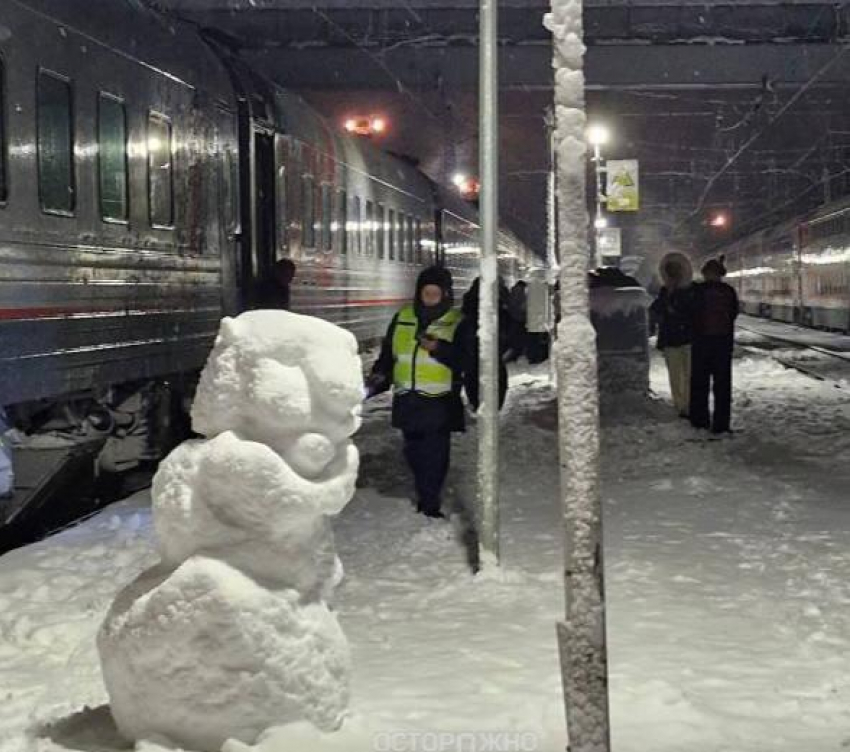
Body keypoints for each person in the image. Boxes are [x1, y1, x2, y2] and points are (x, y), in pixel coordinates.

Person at [366, 266, 464, 518]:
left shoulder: (456, 321)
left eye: (435, 292)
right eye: (426, 292)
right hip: (407, 398)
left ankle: (429, 501)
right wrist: (380, 374)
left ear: (445, 294)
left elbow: (466, 359)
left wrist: (438, 348)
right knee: (413, 451)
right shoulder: (403, 317)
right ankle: (425, 490)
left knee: (434, 454)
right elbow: (389, 354)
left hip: (439, 402)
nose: (430, 296)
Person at [689, 256, 739, 434]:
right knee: (722, 386)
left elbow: (691, 314)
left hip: (701, 343)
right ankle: (721, 424)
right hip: (723, 344)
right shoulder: (728, 291)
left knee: (699, 384)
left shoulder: (697, 291)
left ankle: (699, 420)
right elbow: (734, 313)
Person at [650, 253, 694, 418]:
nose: (674, 274)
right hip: (671, 339)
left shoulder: (691, 290)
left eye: (676, 271)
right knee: (675, 375)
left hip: (688, 338)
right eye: (671, 271)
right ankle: (681, 405)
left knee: (689, 374)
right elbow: (655, 311)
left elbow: (693, 312)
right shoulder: (664, 291)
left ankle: (689, 404)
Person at [456, 277, 510, 411]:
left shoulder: (465, 318)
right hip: (494, 368)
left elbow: (459, 343)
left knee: (479, 403)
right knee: (493, 406)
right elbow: (511, 338)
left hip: (472, 369)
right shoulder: (500, 315)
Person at [506, 280, 528, 362]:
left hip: (513, 318)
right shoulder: (520, 292)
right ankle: (514, 355)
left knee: (514, 339)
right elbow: (521, 306)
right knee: (518, 339)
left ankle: (513, 355)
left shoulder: (513, 292)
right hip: (518, 318)